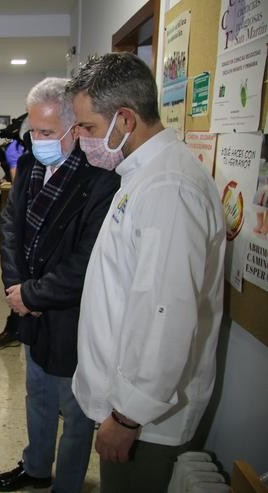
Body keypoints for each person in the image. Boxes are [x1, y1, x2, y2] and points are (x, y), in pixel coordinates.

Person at [67, 52, 226, 492]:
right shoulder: (142, 174)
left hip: (144, 421)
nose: (79, 137)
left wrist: (126, 415)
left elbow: (164, 315)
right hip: (126, 409)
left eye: (88, 127)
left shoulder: (169, 188)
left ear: (124, 120)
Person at [0, 78, 120, 493]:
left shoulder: (101, 178)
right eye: (35, 132)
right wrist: (16, 288)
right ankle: (36, 466)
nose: (38, 141)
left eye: (48, 133)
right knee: (37, 394)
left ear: (74, 129)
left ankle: (67, 484)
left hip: (71, 315)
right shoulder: (30, 164)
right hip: (28, 305)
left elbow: (88, 260)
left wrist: (34, 294)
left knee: (75, 411)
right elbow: (10, 227)